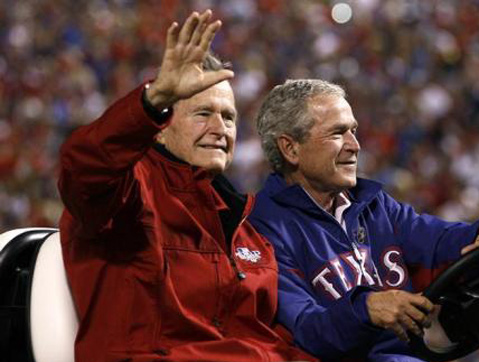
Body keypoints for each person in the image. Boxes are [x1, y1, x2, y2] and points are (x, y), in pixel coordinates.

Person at [58, 11, 316, 362]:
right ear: (160, 127)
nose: (219, 128)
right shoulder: (128, 190)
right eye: (202, 114)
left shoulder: (247, 226)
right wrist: (153, 99)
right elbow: (82, 168)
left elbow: (266, 337)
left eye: (228, 117)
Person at [249, 79, 479, 361]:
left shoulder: (373, 205)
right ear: (290, 149)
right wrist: (366, 309)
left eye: (353, 131)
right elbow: (305, 331)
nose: (354, 145)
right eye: (337, 133)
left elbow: (441, 243)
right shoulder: (261, 230)